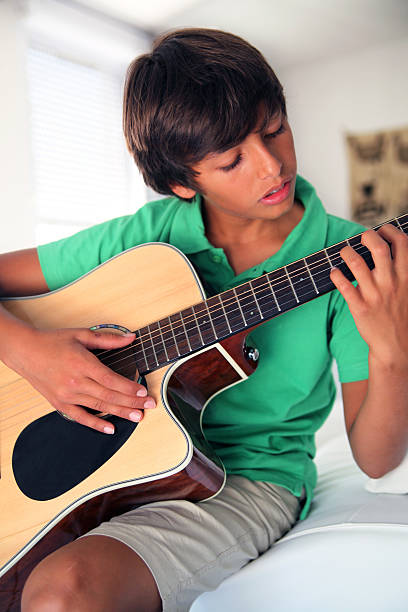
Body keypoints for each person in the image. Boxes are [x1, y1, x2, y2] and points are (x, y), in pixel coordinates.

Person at [1, 28, 407, 612]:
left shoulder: (351, 259)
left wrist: (394, 351)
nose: (272, 167)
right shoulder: (147, 238)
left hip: (245, 480)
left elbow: (376, 459)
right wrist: (31, 352)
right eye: (232, 159)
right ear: (180, 182)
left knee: (64, 595)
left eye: (274, 131)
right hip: (111, 460)